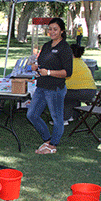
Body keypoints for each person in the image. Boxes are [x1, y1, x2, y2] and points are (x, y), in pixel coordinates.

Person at [28, 18, 73, 155]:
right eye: (50, 29)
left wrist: (48, 72)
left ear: (61, 31)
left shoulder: (65, 48)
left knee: (57, 118)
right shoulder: (47, 45)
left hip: (55, 89)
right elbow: (43, 63)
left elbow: (67, 72)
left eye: (55, 29)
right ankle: (47, 140)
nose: (52, 32)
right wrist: (37, 66)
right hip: (41, 86)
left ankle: (53, 145)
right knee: (32, 115)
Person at [62, 44, 97, 123]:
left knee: (60, 94)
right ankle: (73, 115)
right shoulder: (81, 62)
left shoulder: (69, 63)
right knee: (72, 95)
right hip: (91, 91)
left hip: (80, 91)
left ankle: (64, 118)